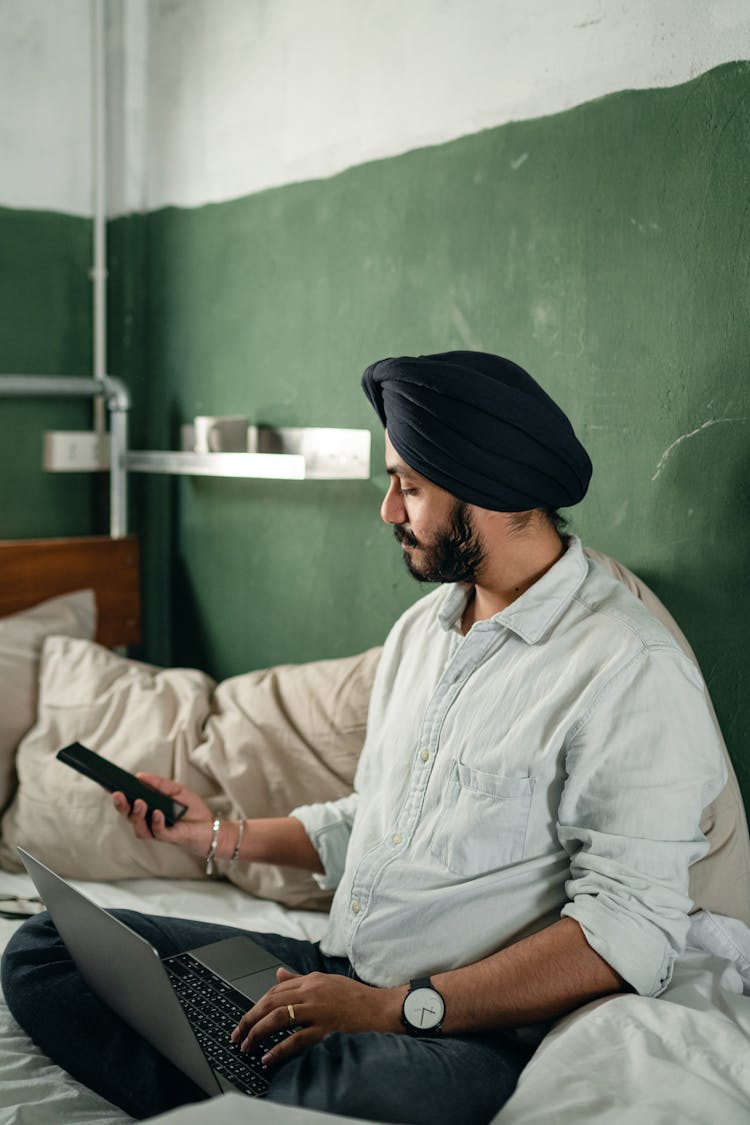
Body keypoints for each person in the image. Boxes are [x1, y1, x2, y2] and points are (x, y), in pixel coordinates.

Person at [2, 351, 726, 1125]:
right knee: (47, 949)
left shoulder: (627, 667)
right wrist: (211, 834)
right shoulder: (425, 630)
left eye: (409, 486)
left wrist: (391, 1008)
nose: (388, 510)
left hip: (459, 1031)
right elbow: (373, 824)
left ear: (487, 488)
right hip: (330, 975)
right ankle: (243, 1087)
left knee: (337, 1091)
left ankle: (245, 1087)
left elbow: (628, 931)